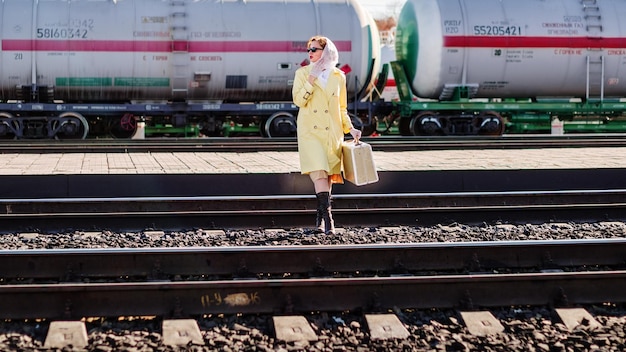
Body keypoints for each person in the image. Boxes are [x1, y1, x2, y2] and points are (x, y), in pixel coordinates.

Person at [292, 35, 362, 234]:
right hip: (310, 132)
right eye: (309, 50)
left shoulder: (338, 76)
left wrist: (350, 129)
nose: (310, 54)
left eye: (314, 49)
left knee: (327, 178)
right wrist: (311, 80)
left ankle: (319, 220)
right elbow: (298, 101)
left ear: (326, 51)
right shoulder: (303, 73)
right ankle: (329, 220)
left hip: (332, 132)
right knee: (319, 174)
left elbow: (341, 108)